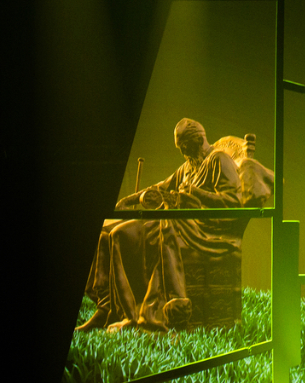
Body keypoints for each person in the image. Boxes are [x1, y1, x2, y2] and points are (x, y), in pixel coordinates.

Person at [77, 118, 266, 333]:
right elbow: (161, 187)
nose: (183, 152)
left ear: (200, 140)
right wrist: (130, 200)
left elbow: (233, 202)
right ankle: (109, 309)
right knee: (109, 233)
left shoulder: (219, 160)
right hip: (177, 222)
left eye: (185, 146)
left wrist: (195, 194)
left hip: (202, 230)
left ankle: (136, 317)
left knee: (126, 234)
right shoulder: (188, 167)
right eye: (180, 147)